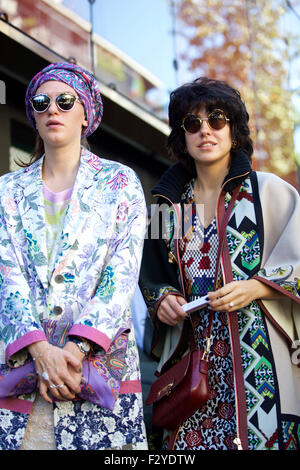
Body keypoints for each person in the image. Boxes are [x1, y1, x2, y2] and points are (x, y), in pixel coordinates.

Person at [139, 77, 300, 451]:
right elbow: (151, 277)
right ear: (182, 137)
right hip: (191, 371)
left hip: (260, 370)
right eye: (192, 124)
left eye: (217, 119)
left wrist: (256, 286)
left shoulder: (269, 191)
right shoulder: (167, 206)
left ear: (234, 129)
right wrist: (162, 300)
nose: (205, 130)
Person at [0, 62, 148, 450]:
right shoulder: (6, 190)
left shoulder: (121, 182)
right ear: (32, 114)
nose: (53, 109)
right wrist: (39, 350)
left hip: (96, 370)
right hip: (20, 372)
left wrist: (73, 350)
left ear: (87, 114)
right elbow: (5, 274)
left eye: (66, 101)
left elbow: (122, 274)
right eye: (41, 101)